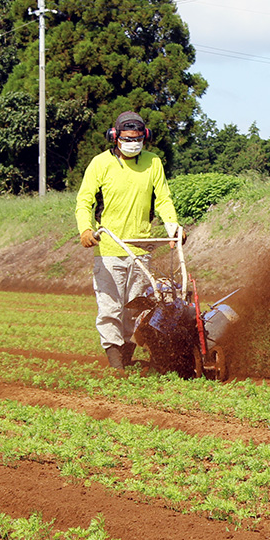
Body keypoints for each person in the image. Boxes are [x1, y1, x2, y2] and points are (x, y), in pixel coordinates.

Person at [75, 110, 182, 372]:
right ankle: (116, 365)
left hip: (141, 247)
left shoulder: (153, 162)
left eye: (137, 139)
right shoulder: (100, 164)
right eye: (127, 138)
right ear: (115, 137)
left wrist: (173, 227)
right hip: (110, 247)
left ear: (145, 137)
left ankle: (126, 356)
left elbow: (163, 199)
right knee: (111, 307)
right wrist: (86, 230)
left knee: (136, 309)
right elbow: (84, 200)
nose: (133, 143)